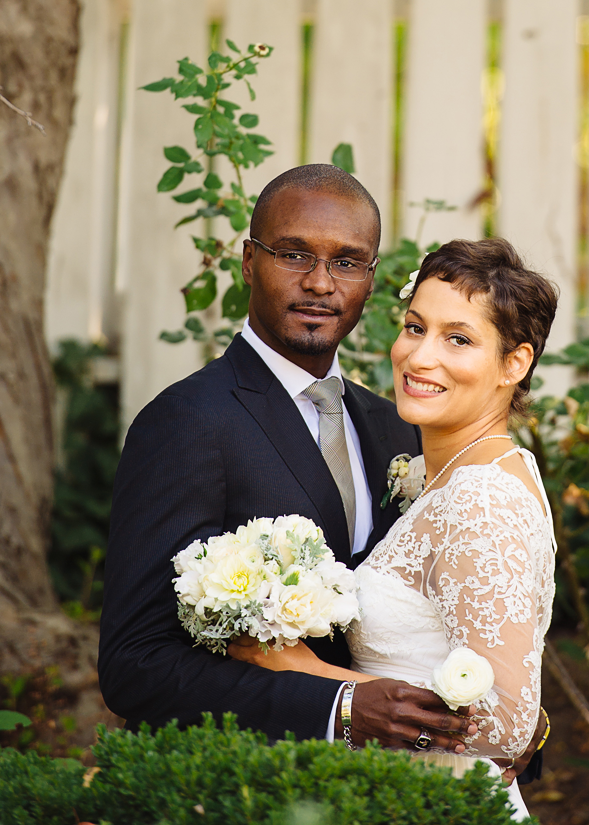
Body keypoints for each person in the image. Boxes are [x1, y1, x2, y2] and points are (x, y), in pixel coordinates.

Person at [99, 165, 474, 754]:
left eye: (346, 262)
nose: (321, 284)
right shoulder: (186, 422)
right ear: (249, 262)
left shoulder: (397, 430)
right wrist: (339, 708)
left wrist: (505, 721)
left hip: (392, 784)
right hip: (248, 786)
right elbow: (136, 664)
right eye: (294, 254)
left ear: (371, 278)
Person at [229, 237, 558, 820]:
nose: (420, 356)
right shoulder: (460, 472)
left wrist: (308, 671)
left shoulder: (481, 498)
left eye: (458, 339)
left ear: (516, 363)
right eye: (415, 327)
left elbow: (507, 726)